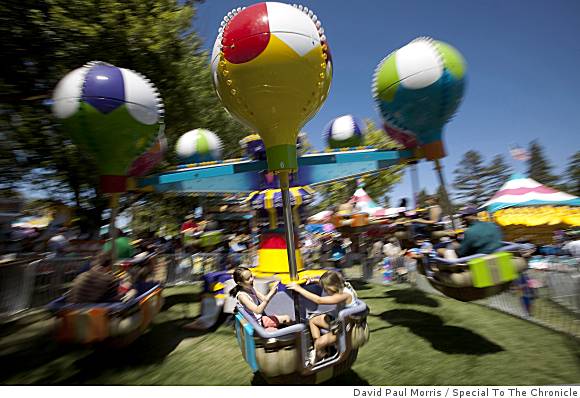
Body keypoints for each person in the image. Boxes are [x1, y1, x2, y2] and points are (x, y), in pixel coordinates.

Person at [287, 271, 358, 364]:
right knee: (312, 321)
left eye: (326, 289)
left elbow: (319, 300)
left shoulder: (344, 295)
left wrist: (299, 289)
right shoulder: (341, 285)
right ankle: (321, 351)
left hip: (345, 328)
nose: (325, 291)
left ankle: (319, 350)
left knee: (318, 343)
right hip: (338, 321)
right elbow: (326, 283)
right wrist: (313, 280)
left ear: (332, 287)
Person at [229, 267, 291, 331]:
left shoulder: (250, 288)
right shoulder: (242, 296)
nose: (252, 279)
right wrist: (270, 294)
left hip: (261, 320)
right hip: (256, 327)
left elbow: (264, 299)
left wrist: (273, 291)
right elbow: (258, 310)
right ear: (240, 283)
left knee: (287, 318)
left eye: (251, 276)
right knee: (277, 332)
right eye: (248, 279)